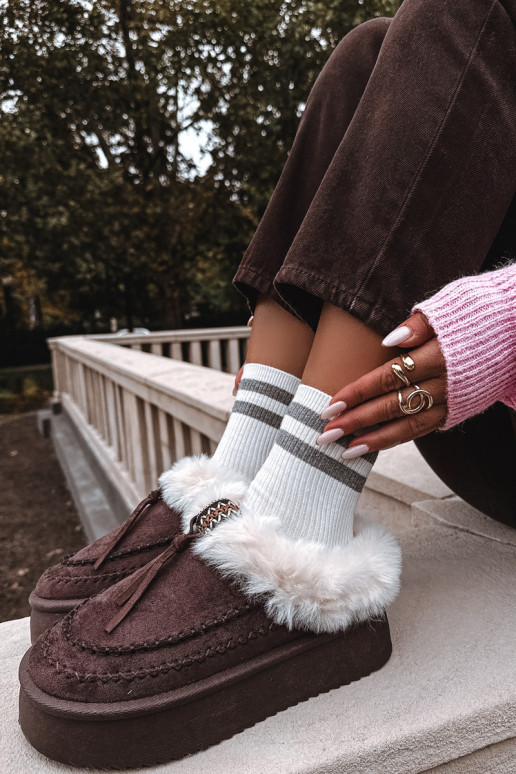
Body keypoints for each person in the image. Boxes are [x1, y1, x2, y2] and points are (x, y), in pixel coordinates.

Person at [19, 0, 516, 767]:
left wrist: (504, 329)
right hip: (453, 411)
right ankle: (242, 474)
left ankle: (298, 528)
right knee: (368, 53)